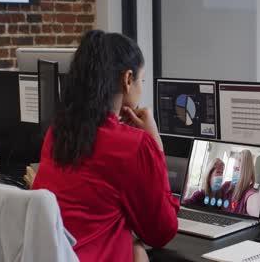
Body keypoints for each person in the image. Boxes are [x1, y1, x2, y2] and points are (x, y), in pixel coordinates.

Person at [32, 30, 179, 262]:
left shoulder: (57, 131)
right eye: (141, 80)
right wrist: (155, 146)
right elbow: (162, 231)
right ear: (127, 79)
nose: (141, 87)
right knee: (138, 248)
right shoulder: (133, 145)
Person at [221, 150, 257, 215]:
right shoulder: (226, 186)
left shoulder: (249, 194)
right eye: (234, 169)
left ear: (246, 173)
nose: (234, 173)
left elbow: (255, 207)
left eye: (237, 169)